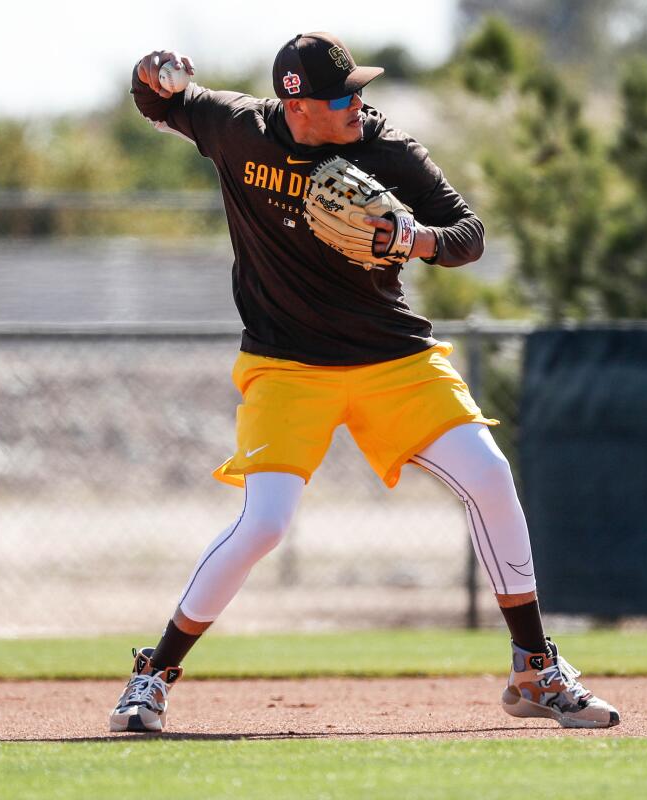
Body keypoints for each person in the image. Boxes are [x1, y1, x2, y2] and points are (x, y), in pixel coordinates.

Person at [109, 32, 619, 733]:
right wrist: (150, 72)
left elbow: (468, 233)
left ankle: (535, 670)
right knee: (264, 524)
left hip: (392, 358)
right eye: (342, 96)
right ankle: (154, 674)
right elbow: (156, 100)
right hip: (288, 367)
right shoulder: (236, 129)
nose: (358, 104)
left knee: (491, 476)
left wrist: (417, 241)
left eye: (360, 90)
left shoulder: (385, 149)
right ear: (298, 105)